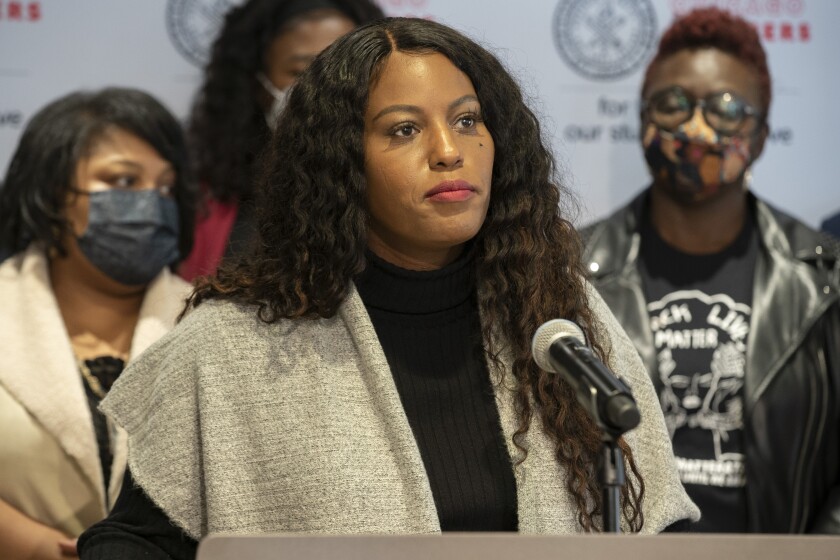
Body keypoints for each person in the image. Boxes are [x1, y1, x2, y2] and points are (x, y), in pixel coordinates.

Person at [78, 18, 698, 559]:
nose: (449, 151)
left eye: (466, 119)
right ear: (344, 164)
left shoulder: (560, 320)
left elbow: (658, 526)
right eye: (404, 130)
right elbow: (137, 540)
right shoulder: (233, 343)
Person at [581, 8, 840, 533]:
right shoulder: (569, 272)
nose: (696, 128)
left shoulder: (824, 278)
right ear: (641, 119)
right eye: (673, 103)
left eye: (725, 109)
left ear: (762, 135)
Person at [0, 88, 197, 559]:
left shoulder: (215, 319)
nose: (151, 203)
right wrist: (29, 544)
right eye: (124, 181)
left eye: (166, 188)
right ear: (52, 195)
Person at [178, 0, 384, 281]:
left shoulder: (403, 183)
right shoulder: (206, 203)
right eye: (299, 72)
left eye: (342, 70)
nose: (321, 88)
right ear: (256, 83)